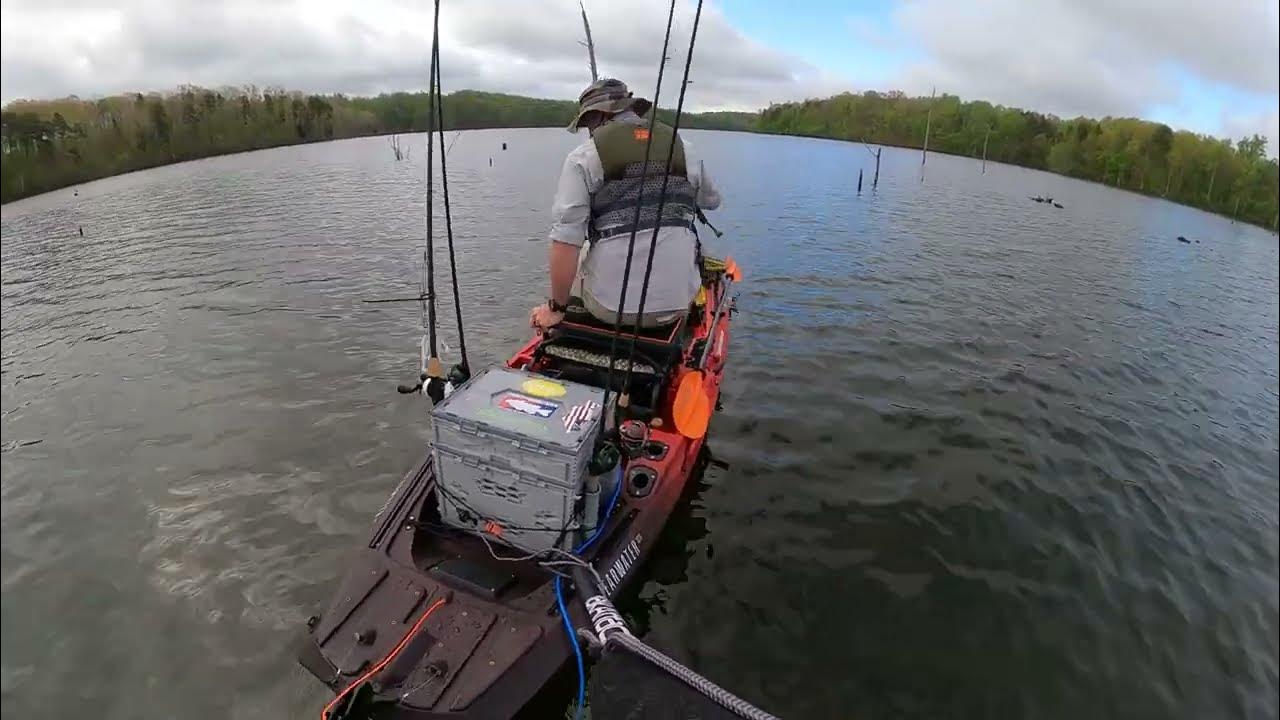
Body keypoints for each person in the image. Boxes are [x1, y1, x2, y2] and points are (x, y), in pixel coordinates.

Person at [529, 78, 721, 331]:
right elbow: (712, 202)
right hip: (678, 303)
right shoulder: (685, 149)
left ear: (595, 117)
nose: (590, 131)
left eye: (587, 124)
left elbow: (566, 239)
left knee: (580, 245)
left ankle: (559, 312)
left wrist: (555, 308)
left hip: (609, 309)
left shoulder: (583, 157)